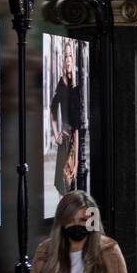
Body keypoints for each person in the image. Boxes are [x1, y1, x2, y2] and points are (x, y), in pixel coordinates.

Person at [49, 38, 83, 196]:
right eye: (65, 56)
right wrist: (56, 134)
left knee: (71, 185)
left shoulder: (76, 87)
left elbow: (77, 126)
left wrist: (76, 161)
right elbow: (52, 110)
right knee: (62, 187)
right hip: (64, 141)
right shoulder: (61, 84)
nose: (68, 60)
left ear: (73, 59)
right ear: (63, 60)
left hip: (73, 143)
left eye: (70, 56)